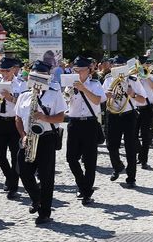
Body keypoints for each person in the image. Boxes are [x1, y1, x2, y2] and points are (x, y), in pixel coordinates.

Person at [15, 60, 67, 225]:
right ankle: (36, 198)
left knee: (46, 176)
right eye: (34, 76)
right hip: (28, 137)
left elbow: (61, 117)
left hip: (46, 138)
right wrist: (23, 135)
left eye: (41, 76)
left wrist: (44, 117)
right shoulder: (24, 95)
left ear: (47, 77)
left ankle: (44, 212)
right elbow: (17, 118)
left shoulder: (54, 93)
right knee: (23, 171)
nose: (37, 79)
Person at [65, 56, 106, 204]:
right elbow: (65, 103)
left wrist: (84, 89)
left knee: (89, 161)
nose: (77, 73)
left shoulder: (94, 84)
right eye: (75, 70)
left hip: (90, 124)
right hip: (74, 124)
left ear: (88, 71)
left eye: (80, 70)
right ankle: (82, 184)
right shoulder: (69, 85)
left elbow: (98, 101)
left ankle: (86, 191)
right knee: (71, 158)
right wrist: (70, 91)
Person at [103, 55, 148, 186]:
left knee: (130, 147)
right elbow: (101, 97)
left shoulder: (133, 80)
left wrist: (132, 94)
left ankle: (131, 177)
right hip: (112, 114)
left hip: (129, 115)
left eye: (120, 66)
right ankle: (117, 166)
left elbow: (143, 100)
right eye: (115, 66)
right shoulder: (108, 80)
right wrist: (107, 95)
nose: (117, 69)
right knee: (111, 145)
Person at [0, 57, 27, 199]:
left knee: (15, 156)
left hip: (15, 122)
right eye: (2, 70)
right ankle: (10, 177)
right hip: (0, 122)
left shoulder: (21, 84)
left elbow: (24, 106)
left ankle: (13, 186)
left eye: (7, 70)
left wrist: (10, 98)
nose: (4, 73)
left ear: (13, 70)